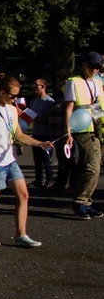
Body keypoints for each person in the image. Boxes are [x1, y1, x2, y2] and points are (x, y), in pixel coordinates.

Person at [0, 75, 54, 247]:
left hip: (9, 159)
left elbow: (19, 134)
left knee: (23, 195)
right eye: (12, 95)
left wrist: (40, 144)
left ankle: (21, 234)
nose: (15, 99)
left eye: (17, 95)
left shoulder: (12, 110)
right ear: (1, 92)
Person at [64, 52, 104, 218]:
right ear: (84, 65)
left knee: (93, 167)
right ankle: (80, 201)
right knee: (92, 167)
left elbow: (96, 106)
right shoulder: (74, 82)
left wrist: (100, 126)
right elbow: (69, 108)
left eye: (98, 67)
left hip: (95, 128)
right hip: (80, 129)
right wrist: (68, 131)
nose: (95, 70)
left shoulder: (98, 82)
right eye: (92, 67)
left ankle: (85, 202)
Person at [28, 78, 55, 188]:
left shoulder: (49, 102)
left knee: (46, 159)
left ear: (43, 86)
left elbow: (49, 118)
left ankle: (50, 179)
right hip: (36, 133)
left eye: (36, 84)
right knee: (37, 160)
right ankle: (39, 179)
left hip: (46, 134)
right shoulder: (33, 102)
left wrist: (35, 118)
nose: (33, 87)